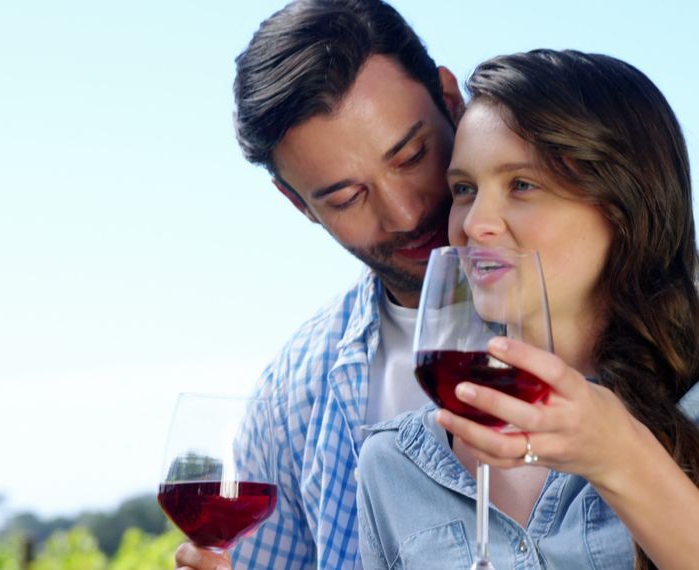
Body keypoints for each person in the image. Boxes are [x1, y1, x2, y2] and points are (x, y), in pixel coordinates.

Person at [356, 49, 699, 569]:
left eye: (522, 184)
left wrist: (619, 453)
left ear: (624, 206)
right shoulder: (393, 466)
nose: (474, 223)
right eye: (465, 189)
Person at [174, 0, 462, 568]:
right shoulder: (289, 400)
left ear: (452, 103)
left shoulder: (620, 310)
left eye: (412, 156)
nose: (404, 213)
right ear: (299, 204)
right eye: (346, 197)